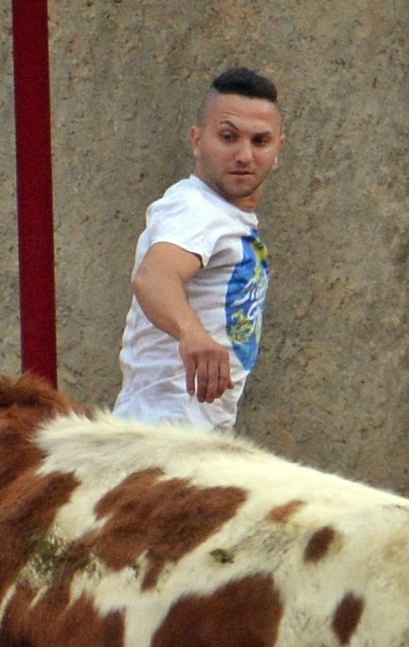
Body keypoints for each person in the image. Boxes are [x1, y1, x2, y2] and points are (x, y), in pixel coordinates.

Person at [114, 67, 286, 431]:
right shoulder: (194, 208)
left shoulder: (227, 217)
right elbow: (155, 276)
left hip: (192, 433)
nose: (244, 155)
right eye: (228, 137)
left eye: (260, 141)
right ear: (197, 140)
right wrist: (191, 333)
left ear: (277, 150)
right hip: (163, 433)